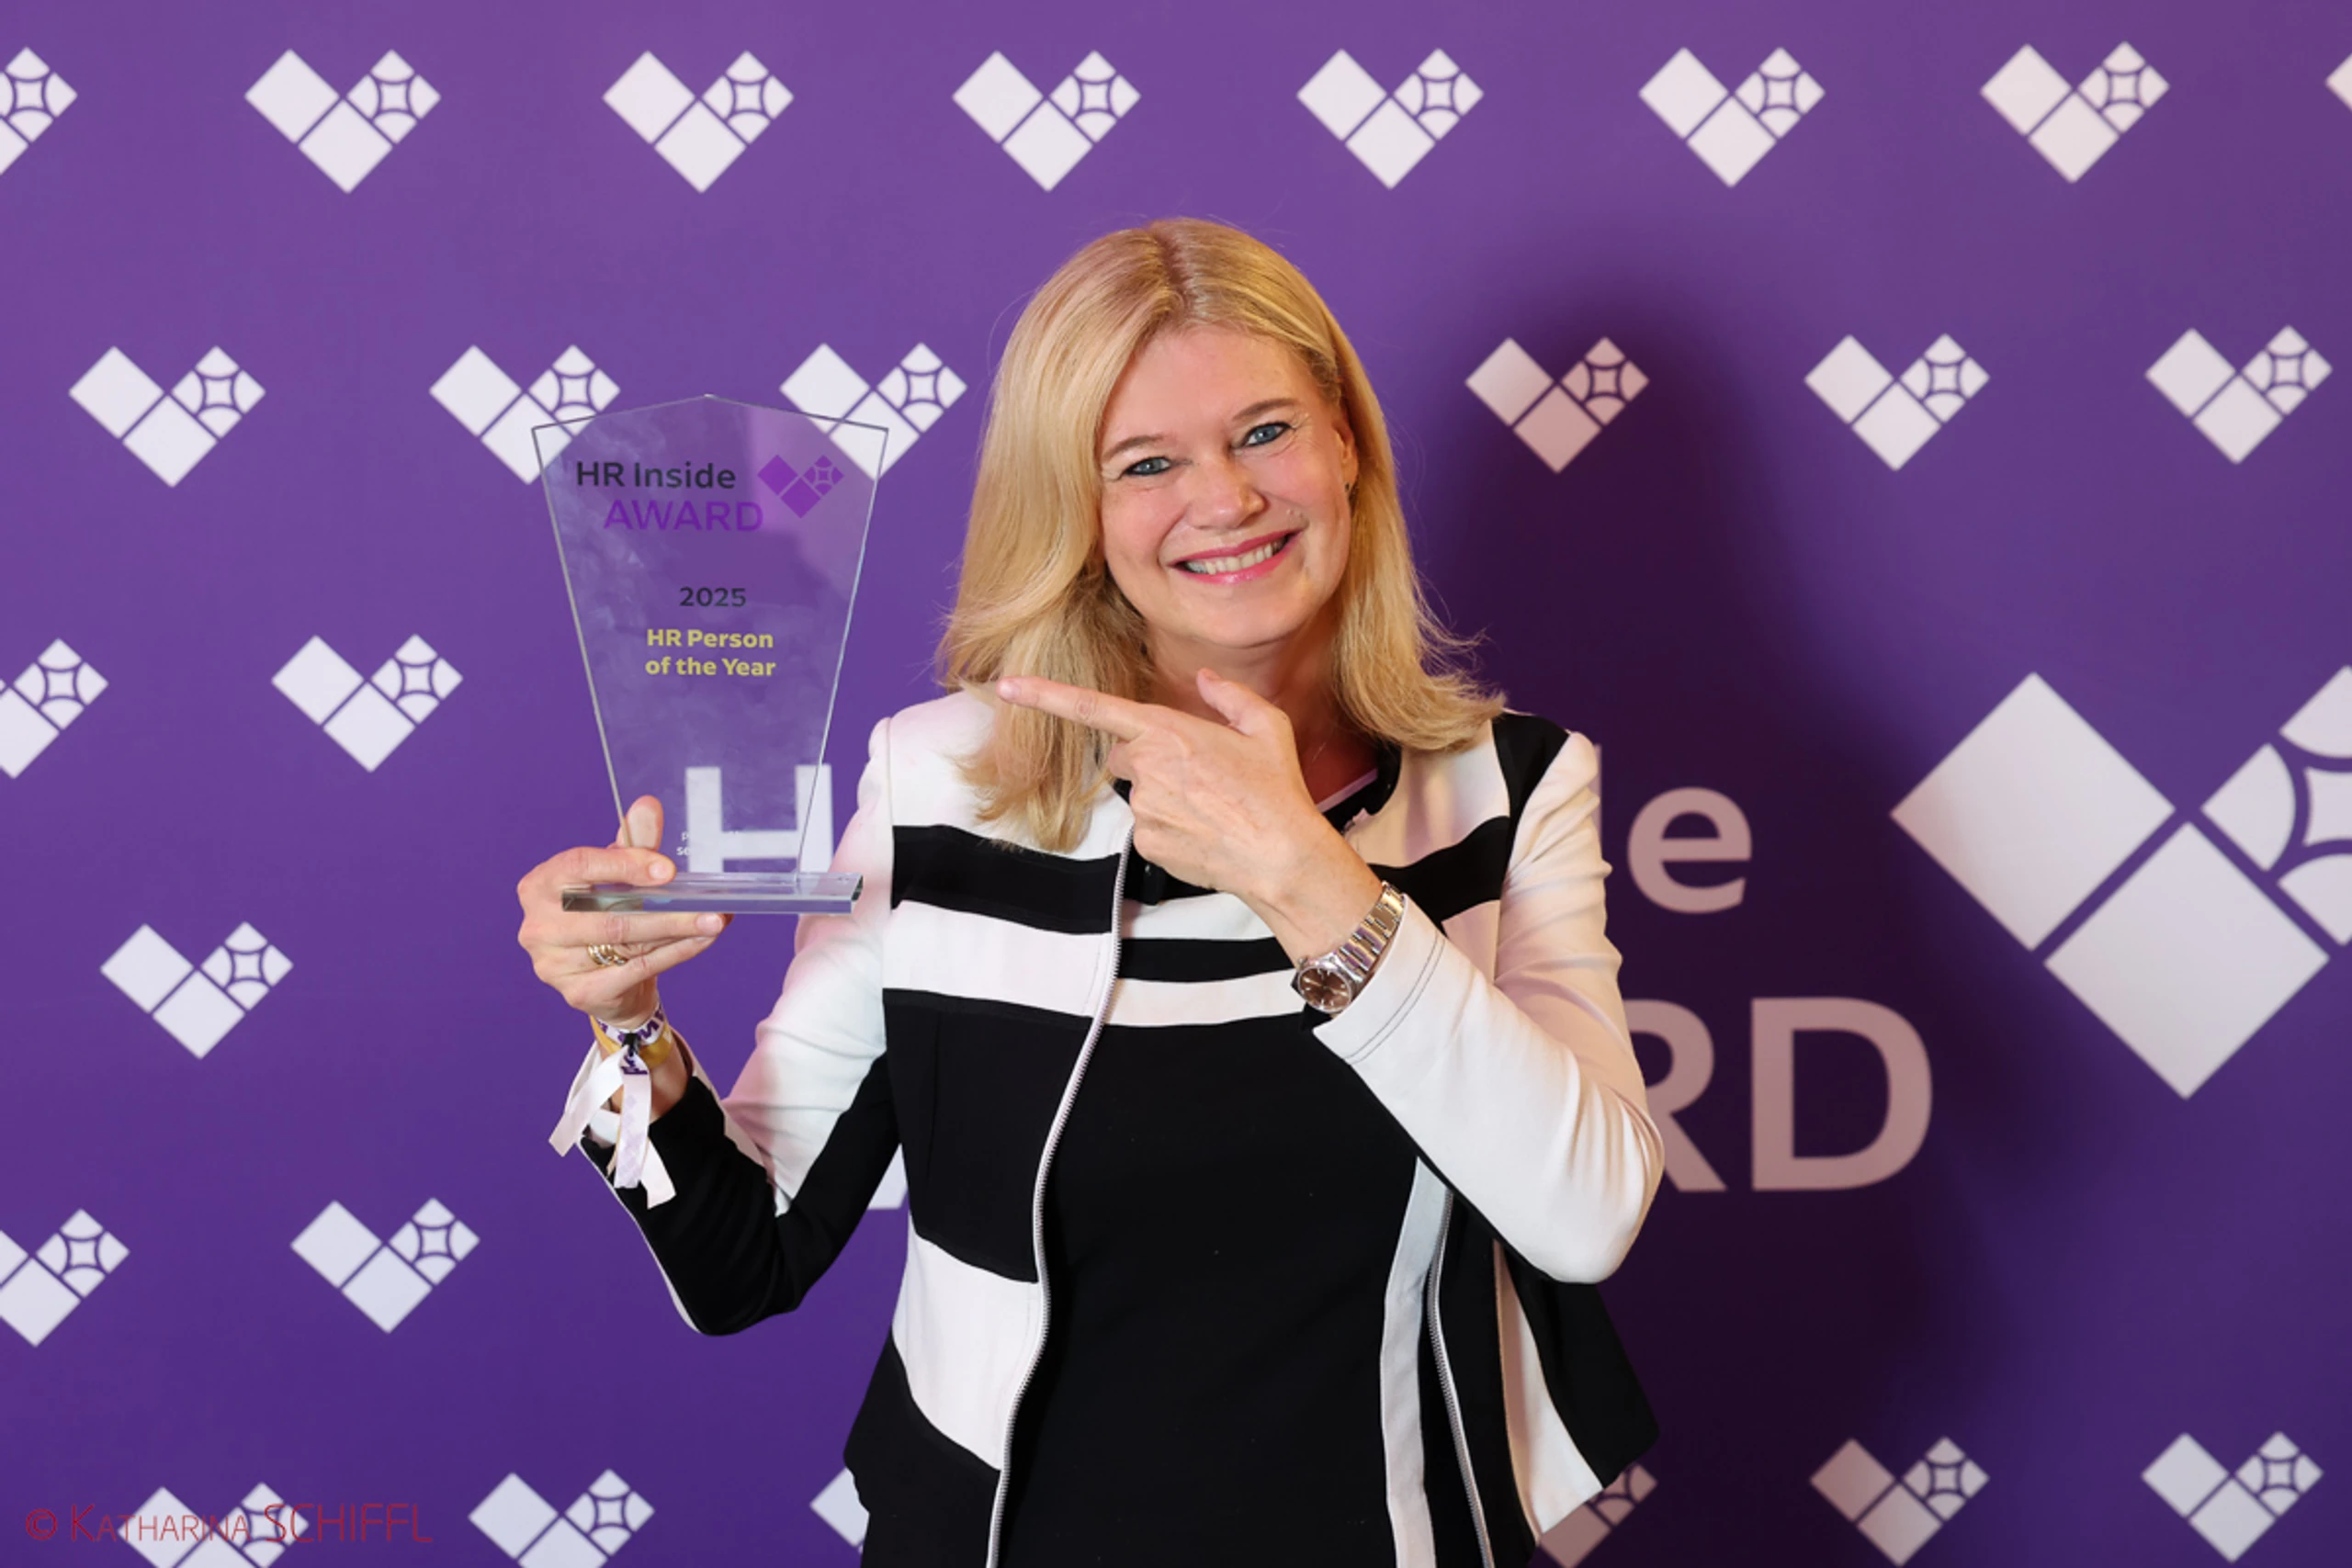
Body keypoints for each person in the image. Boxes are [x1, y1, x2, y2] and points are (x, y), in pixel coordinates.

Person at [515, 218, 1663, 1568]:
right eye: (1147, 463)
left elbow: (1586, 1214)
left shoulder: (1509, 787)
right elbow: (742, 1259)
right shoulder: (940, 783)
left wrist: (1305, 873)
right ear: (1077, 507)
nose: (1225, 500)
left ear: (1348, 445)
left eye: (1265, 433)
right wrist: (628, 1030)